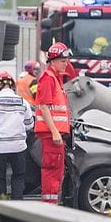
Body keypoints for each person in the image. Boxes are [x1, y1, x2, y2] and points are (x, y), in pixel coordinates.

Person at [35, 42, 72, 204]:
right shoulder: (48, 79)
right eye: (63, 61)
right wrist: (55, 131)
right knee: (51, 171)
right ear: (54, 61)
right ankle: (49, 207)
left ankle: (51, 204)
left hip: (55, 134)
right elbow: (44, 107)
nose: (66, 64)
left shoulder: (55, 79)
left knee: (56, 171)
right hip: (52, 135)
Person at [0, 71, 35, 201]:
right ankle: (17, 207)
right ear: (12, 85)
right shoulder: (22, 102)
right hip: (18, 147)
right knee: (18, 176)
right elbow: (30, 124)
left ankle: (1, 208)